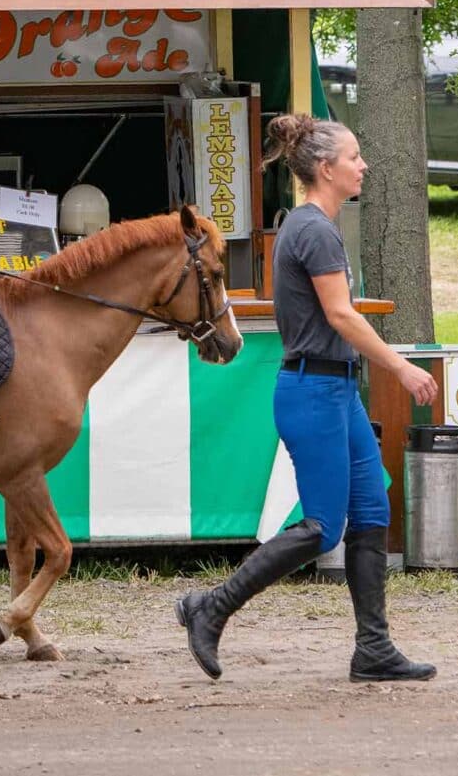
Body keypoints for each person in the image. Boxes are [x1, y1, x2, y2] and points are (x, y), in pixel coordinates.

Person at [176, 113, 438, 684]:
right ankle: (211, 607)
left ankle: (373, 649)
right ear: (326, 169)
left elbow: (337, 314)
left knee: (370, 514)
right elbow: (342, 314)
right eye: (354, 157)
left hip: (333, 390)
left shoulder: (311, 224)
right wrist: (400, 367)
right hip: (314, 390)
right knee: (323, 526)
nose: (362, 165)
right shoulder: (314, 230)